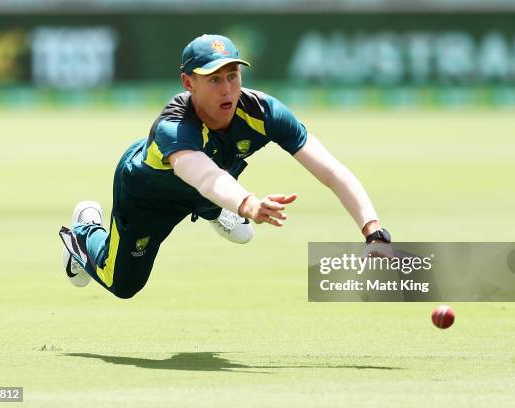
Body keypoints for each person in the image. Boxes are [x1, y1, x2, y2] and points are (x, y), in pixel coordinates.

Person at [59, 34, 391, 298]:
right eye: (214, 79)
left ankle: (217, 209)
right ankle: (86, 229)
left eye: (232, 76)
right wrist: (248, 204)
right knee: (123, 286)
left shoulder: (263, 112)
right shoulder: (173, 127)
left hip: (216, 186)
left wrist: (374, 233)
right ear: (188, 83)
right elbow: (204, 177)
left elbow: (332, 171)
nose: (228, 88)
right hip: (150, 194)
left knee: (223, 186)